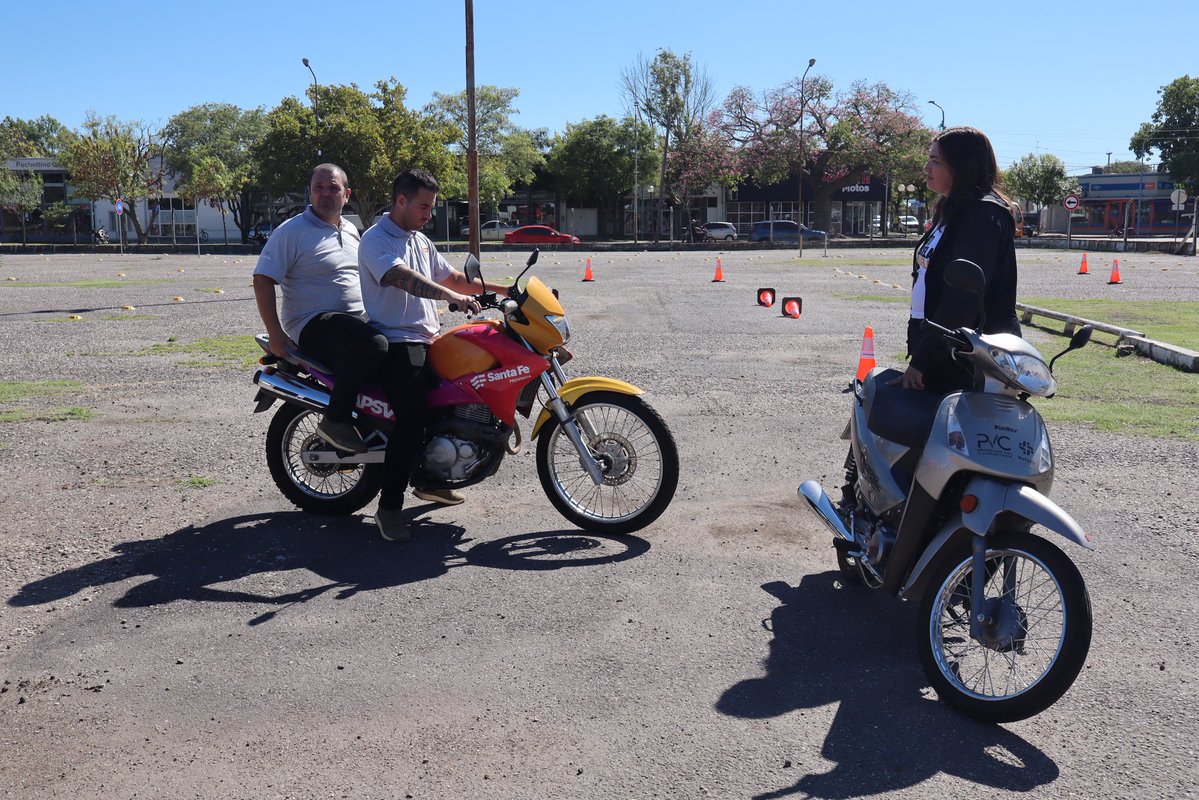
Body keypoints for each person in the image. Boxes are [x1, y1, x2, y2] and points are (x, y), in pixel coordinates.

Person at [358, 169, 511, 542]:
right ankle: (389, 508)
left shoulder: (420, 241)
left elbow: (454, 279)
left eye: (432, 206)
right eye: (424, 206)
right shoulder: (376, 240)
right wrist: (450, 298)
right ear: (401, 202)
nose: (430, 213)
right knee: (411, 417)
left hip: (427, 339)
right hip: (396, 341)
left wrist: (505, 290)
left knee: (454, 401)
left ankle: (429, 479)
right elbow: (398, 276)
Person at [253, 164, 387, 454]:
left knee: (404, 353)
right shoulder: (292, 231)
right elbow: (262, 279)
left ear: (347, 194)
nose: (325, 194)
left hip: (353, 322)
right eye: (319, 188)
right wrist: (274, 333)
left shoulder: (352, 230)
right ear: (310, 193)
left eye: (333, 188)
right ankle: (335, 421)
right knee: (374, 344)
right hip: (312, 323)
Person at [897, 126, 1021, 394]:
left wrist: (923, 360)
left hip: (969, 357)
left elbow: (961, 298)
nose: (927, 168)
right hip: (943, 349)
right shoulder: (952, 209)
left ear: (961, 167)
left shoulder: (982, 216)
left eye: (936, 161)